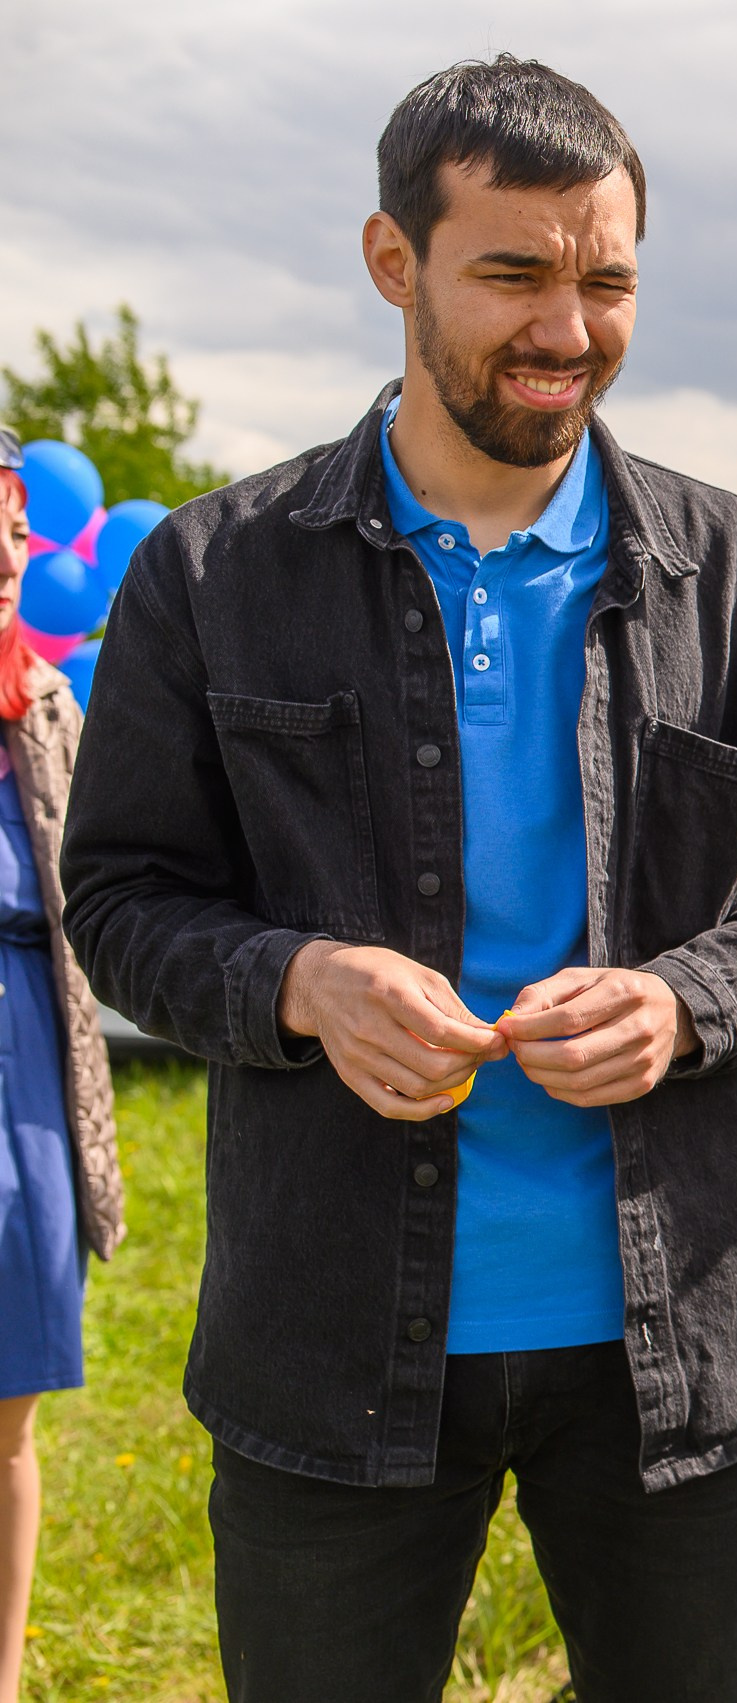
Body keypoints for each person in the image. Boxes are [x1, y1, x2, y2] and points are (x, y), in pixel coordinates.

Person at [60, 58, 737, 1702]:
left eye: (608, 279)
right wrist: (298, 980)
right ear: (394, 261)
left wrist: (683, 997)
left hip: (677, 1348)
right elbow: (123, 894)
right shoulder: (215, 573)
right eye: (513, 273)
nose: (567, 326)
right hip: (330, 1330)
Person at [0, 429, 121, 1703]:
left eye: (17, 525)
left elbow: (106, 885)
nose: (4, 551)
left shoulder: (44, 699)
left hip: (27, 1062)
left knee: (11, 1402)